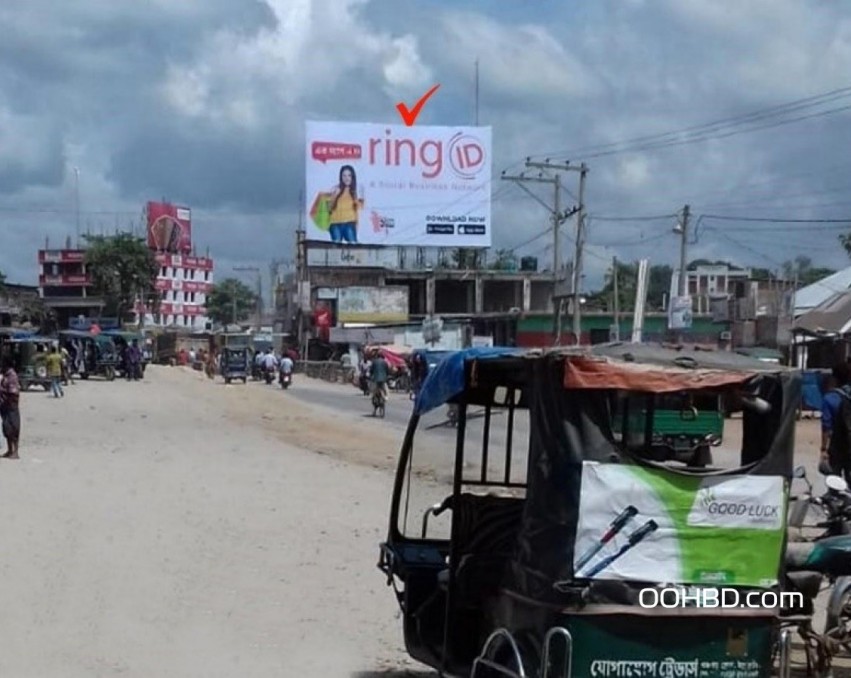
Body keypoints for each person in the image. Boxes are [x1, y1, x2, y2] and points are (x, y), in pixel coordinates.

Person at [821, 360, 851, 482]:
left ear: (834, 378)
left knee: (834, 482)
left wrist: (823, 449)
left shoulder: (830, 398)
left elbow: (826, 427)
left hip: (837, 446)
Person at [327, 165, 364, 244]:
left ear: (352, 177)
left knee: (353, 245)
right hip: (335, 223)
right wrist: (335, 195)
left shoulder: (356, 190)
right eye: (344, 175)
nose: (346, 178)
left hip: (349, 223)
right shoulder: (335, 189)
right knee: (336, 247)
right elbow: (329, 208)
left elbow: (360, 208)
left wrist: (358, 198)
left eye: (349, 175)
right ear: (341, 177)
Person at [0, 359, 21, 459]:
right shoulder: (5, 376)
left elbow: (13, 393)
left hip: (11, 406)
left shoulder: (12, 376)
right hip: (4, 406)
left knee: (14, 428)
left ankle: (15, 452)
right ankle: (9, 450)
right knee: (7, 428)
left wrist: (8, 402)